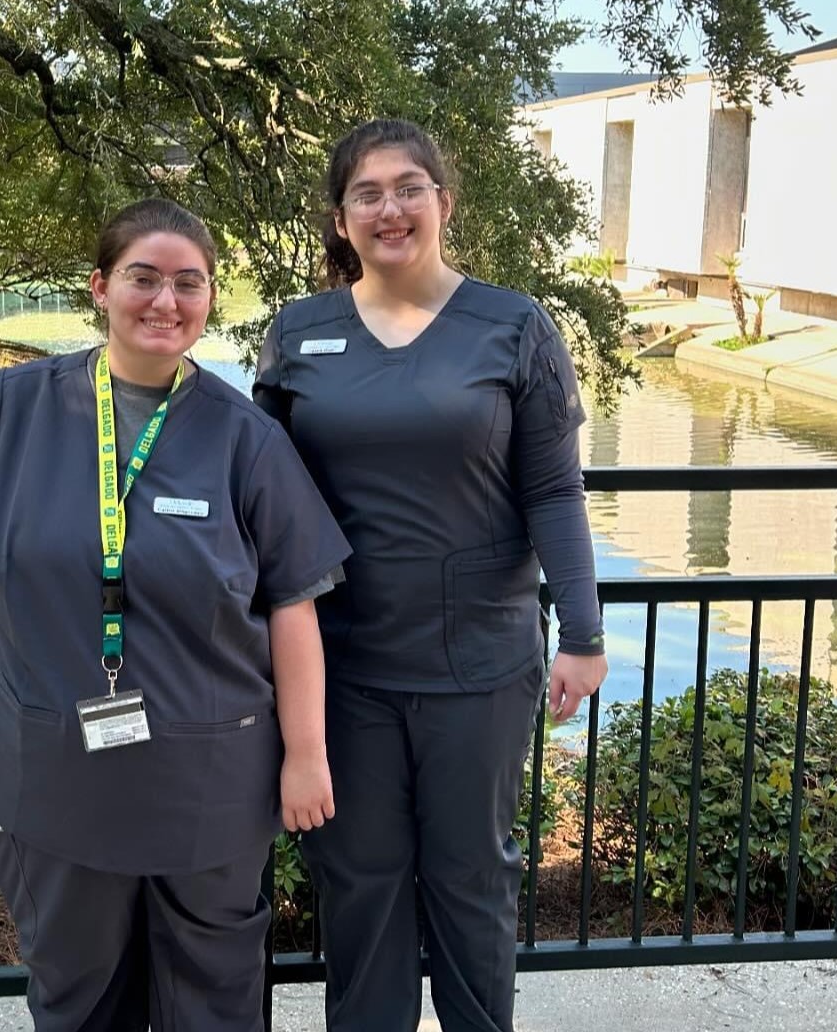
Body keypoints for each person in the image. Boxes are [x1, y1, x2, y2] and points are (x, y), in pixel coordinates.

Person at [0, 197, 351, 1032]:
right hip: (56, 772)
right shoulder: (15, 407)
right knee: (79, 994)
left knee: (219, 998)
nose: (165, 301)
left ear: (208, 301)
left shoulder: (246, 439)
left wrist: (306, 754)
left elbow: (293, 604)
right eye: (144, 278)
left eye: (188, 284)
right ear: (99, 287)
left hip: (210, 780)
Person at [253, 119, 609, 1032]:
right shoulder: (298, 332)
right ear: (340, 220)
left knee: (471, 879)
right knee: (359, 883)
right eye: (366, 194)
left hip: (479, 666)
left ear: (444, 203)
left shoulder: (514, 326)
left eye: (409, 187)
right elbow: (258, 496)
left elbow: (554, 490)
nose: (390, 208)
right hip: (342, 669)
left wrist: (584, 634)